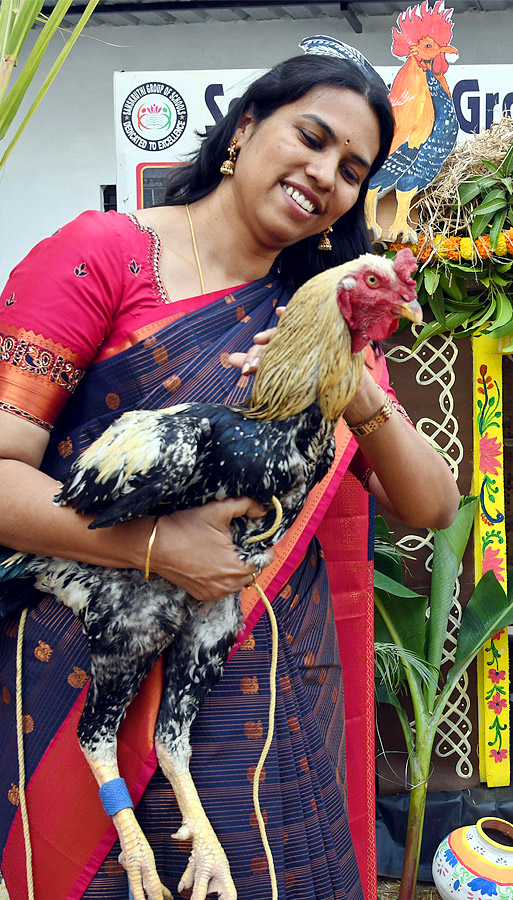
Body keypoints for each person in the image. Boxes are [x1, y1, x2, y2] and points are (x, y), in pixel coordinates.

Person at [0, 54, 459, 900]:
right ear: (245, 126)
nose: (324, 176)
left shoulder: (318, 308)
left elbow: (430, 504)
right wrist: (158, 547)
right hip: (87, 660)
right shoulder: (102, 255)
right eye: (311, 138)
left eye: (352, 170)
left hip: (264, 688)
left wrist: (350, 381)